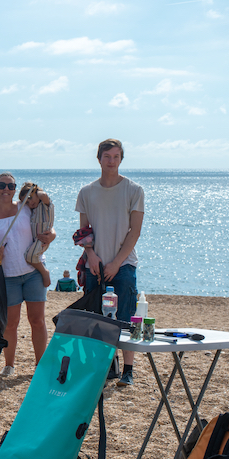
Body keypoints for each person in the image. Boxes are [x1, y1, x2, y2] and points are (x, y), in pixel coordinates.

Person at [76, 138, 144, 387]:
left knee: (126, 316)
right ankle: (104, 366)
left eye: (116, 157)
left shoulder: (134, 190)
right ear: (99, 159)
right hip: (93, 264)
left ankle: (128, 369)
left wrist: (116, 262)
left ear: (121, 159)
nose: (111, 161)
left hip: (124, 264)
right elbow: (84, 230)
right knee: (96, 318)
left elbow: (134, 232)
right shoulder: (87, 192)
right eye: (107, 157)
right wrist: (90, 254)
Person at [0, 172, 55, 378]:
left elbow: (45, 221)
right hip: (7, 276)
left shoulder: (25, 207)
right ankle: (9, 365)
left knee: (37, 320)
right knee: (11, 323)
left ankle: (40, 365)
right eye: (2, 185)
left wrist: (52, 234)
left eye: (11, 186)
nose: (6, 190)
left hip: (33, 272)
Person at [18, 181, 55, 287]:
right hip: (37, 239)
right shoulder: (33, 209)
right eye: (26, 202)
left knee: (30, 256)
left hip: (43, 239)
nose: (30, 203)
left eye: (29, 198)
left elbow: (44, 196)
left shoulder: (45, 205)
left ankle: (45, 272)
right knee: (28, 255)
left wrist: (36, 191)